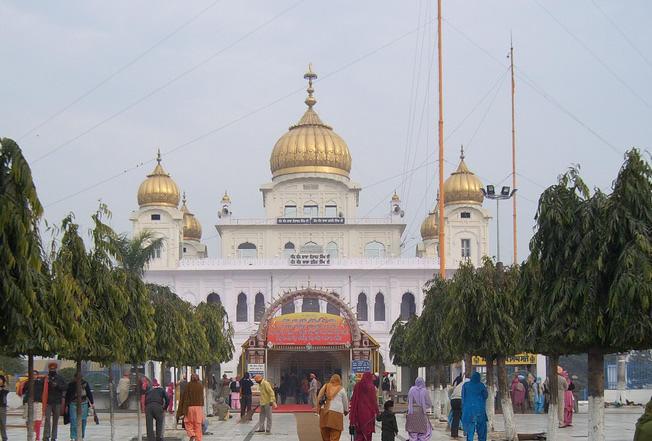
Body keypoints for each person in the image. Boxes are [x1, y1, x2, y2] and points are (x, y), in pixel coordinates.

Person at [349, 371, 380, 441]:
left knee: (360, 433)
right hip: (369, 414)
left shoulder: (357, 386)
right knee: (368, 434)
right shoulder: (372, 387)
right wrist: (377, 412)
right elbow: (374, 402)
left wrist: (352, 417)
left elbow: (354, 401)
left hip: (359, 414)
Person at [65, 372, 96, 441]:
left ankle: (81, 435)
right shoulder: (71, 385)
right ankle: (73, 436)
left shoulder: (85, 384)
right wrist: (66, 405)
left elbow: (89, 393)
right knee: (73, 419)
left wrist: (92, 403)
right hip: (73, 403)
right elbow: (68, 396)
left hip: (83, 403)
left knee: (83, 420)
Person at [317, 374, 349, 441]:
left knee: (325, 434)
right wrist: (346, 410)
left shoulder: (325, 386)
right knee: (335, 433)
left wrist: (319, 409)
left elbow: (319, 397)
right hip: (336, 414)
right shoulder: (341, 389)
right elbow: (345, 401)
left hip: (324, 412)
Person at [43, 361, 67, 441]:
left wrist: (57, 386)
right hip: (48, 401)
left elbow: (65, 387)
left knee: (55, 420)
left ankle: (54, 437)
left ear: (56, 369)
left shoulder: (60, 378)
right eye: (51, 369)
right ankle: (46, 436)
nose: (52, 370)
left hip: (57, 401)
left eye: (53, 369)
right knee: (47, 419)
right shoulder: (46, 378)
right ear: (49, 369)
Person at [461, 372, 488, 441]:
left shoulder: (466, 385)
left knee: (470, 426)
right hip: (479, 410)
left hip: (468, 410)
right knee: (481, 428)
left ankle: (470, 439)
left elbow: (463, 397)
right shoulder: (481, 386)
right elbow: (486, 396)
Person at [177, 373, 204, 441]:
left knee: (188, 422)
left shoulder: (188, 385)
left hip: (190, 407)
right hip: (198, 407)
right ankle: (198, 439)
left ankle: (192, 434)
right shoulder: (200, 386)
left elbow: (184, 397)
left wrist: (182, 408)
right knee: (198, 424)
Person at [406, 377, 433, 441]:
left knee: (413, 433)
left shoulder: (411, 390)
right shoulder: (424, 391)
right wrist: (423, 405)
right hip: (421, 414)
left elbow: (408, 401)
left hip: (411, 414)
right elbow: (429, 404)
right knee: (423, 433)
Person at [22, 370, 46, 441]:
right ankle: (30, 434)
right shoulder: (27, 383)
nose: (34, 376)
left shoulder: (41, 383)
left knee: (38, 420)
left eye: (35, 374)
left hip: (38, 403)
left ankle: (37, 437)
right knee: (28, 419)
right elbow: (23, 392)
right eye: (32, 375)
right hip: (29, 402)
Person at [0, 375, 9, 441]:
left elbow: (6, 394)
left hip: (2, 407)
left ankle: (4, 437)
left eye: (0, 379)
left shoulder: (5, 390)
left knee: (3, 423)